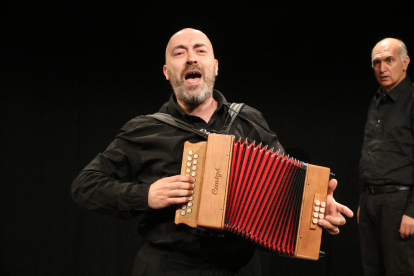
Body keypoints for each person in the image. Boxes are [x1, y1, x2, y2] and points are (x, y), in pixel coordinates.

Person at [72, 28, 353, 276]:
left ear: (215, 66)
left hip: (240, 267)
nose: (191, 58)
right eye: (179, 53)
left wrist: (313, 208)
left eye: (200, 51)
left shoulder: (248, 120)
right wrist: (145, 195)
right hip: (169, 266)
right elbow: (85, 185)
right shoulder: (144, 129)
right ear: (167, 71)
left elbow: (287, 184)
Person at [358, 38, 414, 276]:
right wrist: (364, 200)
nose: (382, 68)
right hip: (370, 202)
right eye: (377, 62)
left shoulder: (411, 100)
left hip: (399, 202)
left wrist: (412, 211)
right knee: (372, 270)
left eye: (389, 60)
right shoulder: (376, 101)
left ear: (405, 62)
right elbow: (371, 151)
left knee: (398, 271)